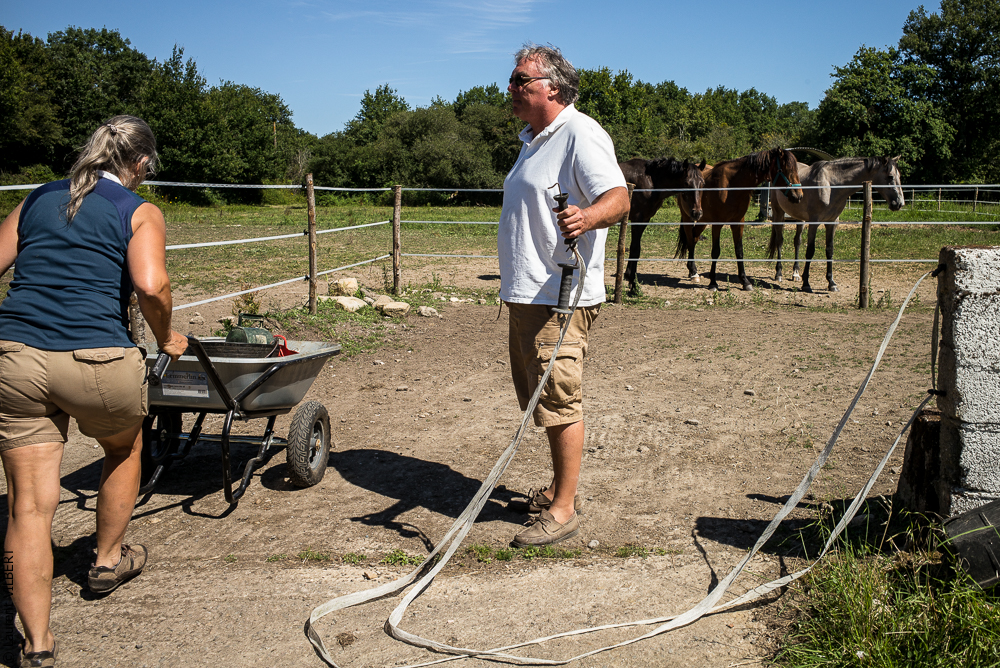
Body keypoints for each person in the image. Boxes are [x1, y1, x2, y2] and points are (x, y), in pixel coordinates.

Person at [0, 115, 187, 667]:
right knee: (123, 447)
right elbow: (150, 285)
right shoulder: (138, 209)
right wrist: (166, 337)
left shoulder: (37, 199)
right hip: (97, 357)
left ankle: (36, 644)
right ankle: (107, 560)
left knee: (28, 507)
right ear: (140, 163)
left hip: (16, 359)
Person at [499, 45, 630, 547]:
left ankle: (563, 510)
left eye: (521, 80)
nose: (511, 88)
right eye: (512, 79)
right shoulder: (533, 140)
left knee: (559, 397)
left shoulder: (580, 132)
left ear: (552, 87)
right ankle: (557, 488)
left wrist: (588, 216)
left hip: (560, 297)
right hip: (529, 294)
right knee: (542, 396)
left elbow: (619, 197)